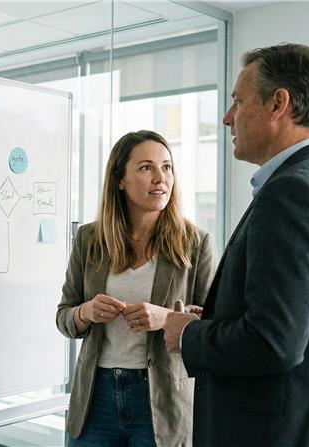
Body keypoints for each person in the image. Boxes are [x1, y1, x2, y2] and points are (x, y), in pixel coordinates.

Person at [164, 43, 309, 446]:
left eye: (237, 101)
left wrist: (188, 334)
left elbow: (273, 342)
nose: (228, 118)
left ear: (278, 103)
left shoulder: (292, 194)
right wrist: (218, 318)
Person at [56, 130, 216, 447]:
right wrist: (86, 312)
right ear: (120, 179)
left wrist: (167, 318)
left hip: (162, 400)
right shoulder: (89, 239)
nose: (161, 178)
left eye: (167, 167)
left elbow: (215, 329)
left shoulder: (195, 242)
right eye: (146, 168)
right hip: (95, 398)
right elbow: (65, 317)